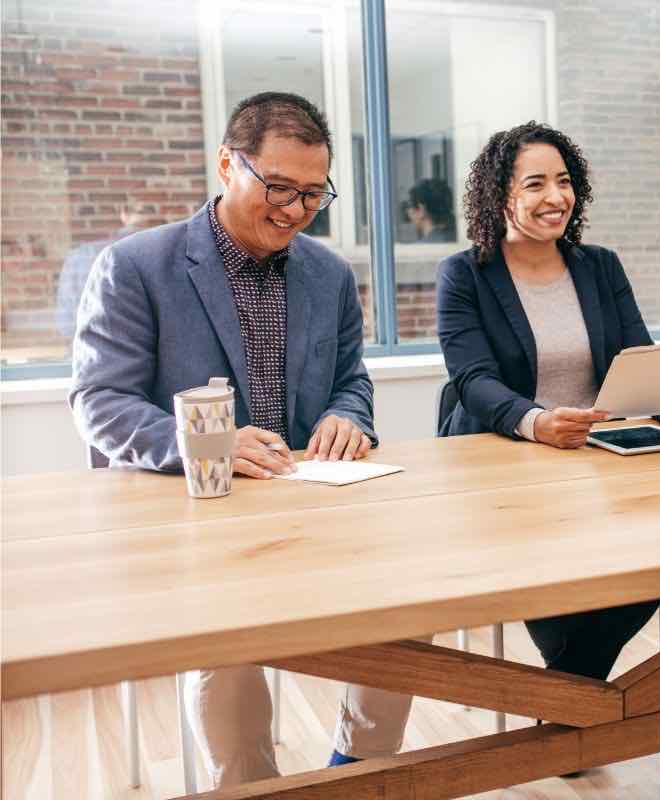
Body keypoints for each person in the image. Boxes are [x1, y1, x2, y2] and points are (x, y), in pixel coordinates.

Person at [69, 91, 419, 786]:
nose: (294, 211)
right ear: (227, 163)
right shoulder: (137, 266)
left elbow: (352, 378)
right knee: (227, 647)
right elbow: (98, 401)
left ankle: (359, 770)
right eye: (279, 188)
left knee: (411, 610)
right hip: (198, 520)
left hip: (312, 510)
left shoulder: (328, 274)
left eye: (314, 195)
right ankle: (252, 784)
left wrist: (349, 415)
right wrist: (207, 445)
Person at [437, 120, 660, 679]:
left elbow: (637, 355)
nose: (556, 197)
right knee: (552, 576)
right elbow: (473, 379)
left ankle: (571, 693)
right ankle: (582, 698)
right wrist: (536, 423)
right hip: (509, 467)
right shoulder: (464, 275)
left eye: (563, 181)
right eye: (535, 184)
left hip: (602, 459)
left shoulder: (600, 265)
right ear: (499, 195)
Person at [55, 202, 161, 340]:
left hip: (92, 352)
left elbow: (65, 324)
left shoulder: (80, 256)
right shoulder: (168, 256)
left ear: (124, 214)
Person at [405, 177, 457, 243]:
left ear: (421, 210)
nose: (408, 212)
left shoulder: (418, 250)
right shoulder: (459, 240)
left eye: (409, 206)